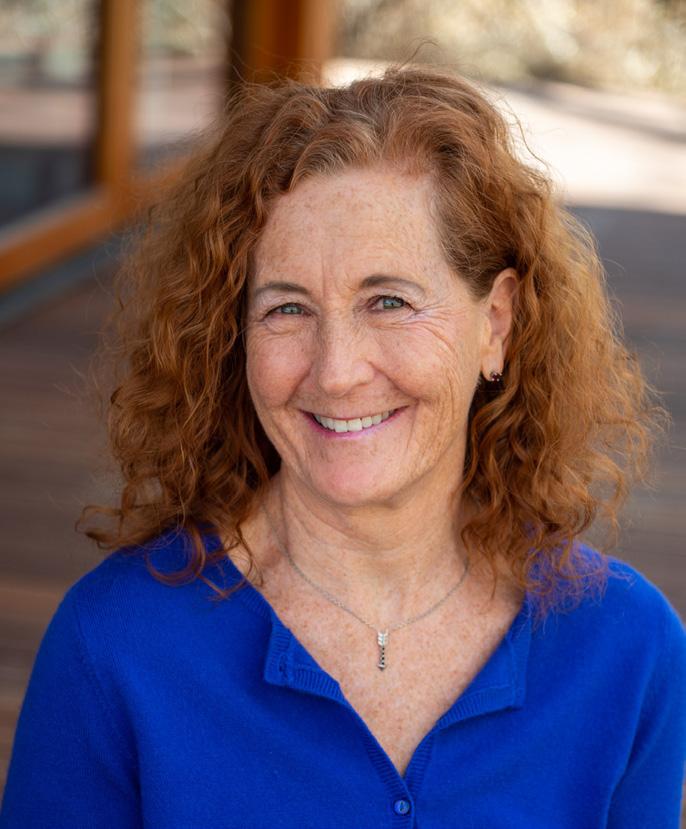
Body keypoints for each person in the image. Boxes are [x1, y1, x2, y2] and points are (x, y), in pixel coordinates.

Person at [1, 65, 685, 829]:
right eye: (287, 308)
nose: (336, 371)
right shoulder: (115, 646)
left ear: (495, 323)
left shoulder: (625, 649)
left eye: (388, 300)